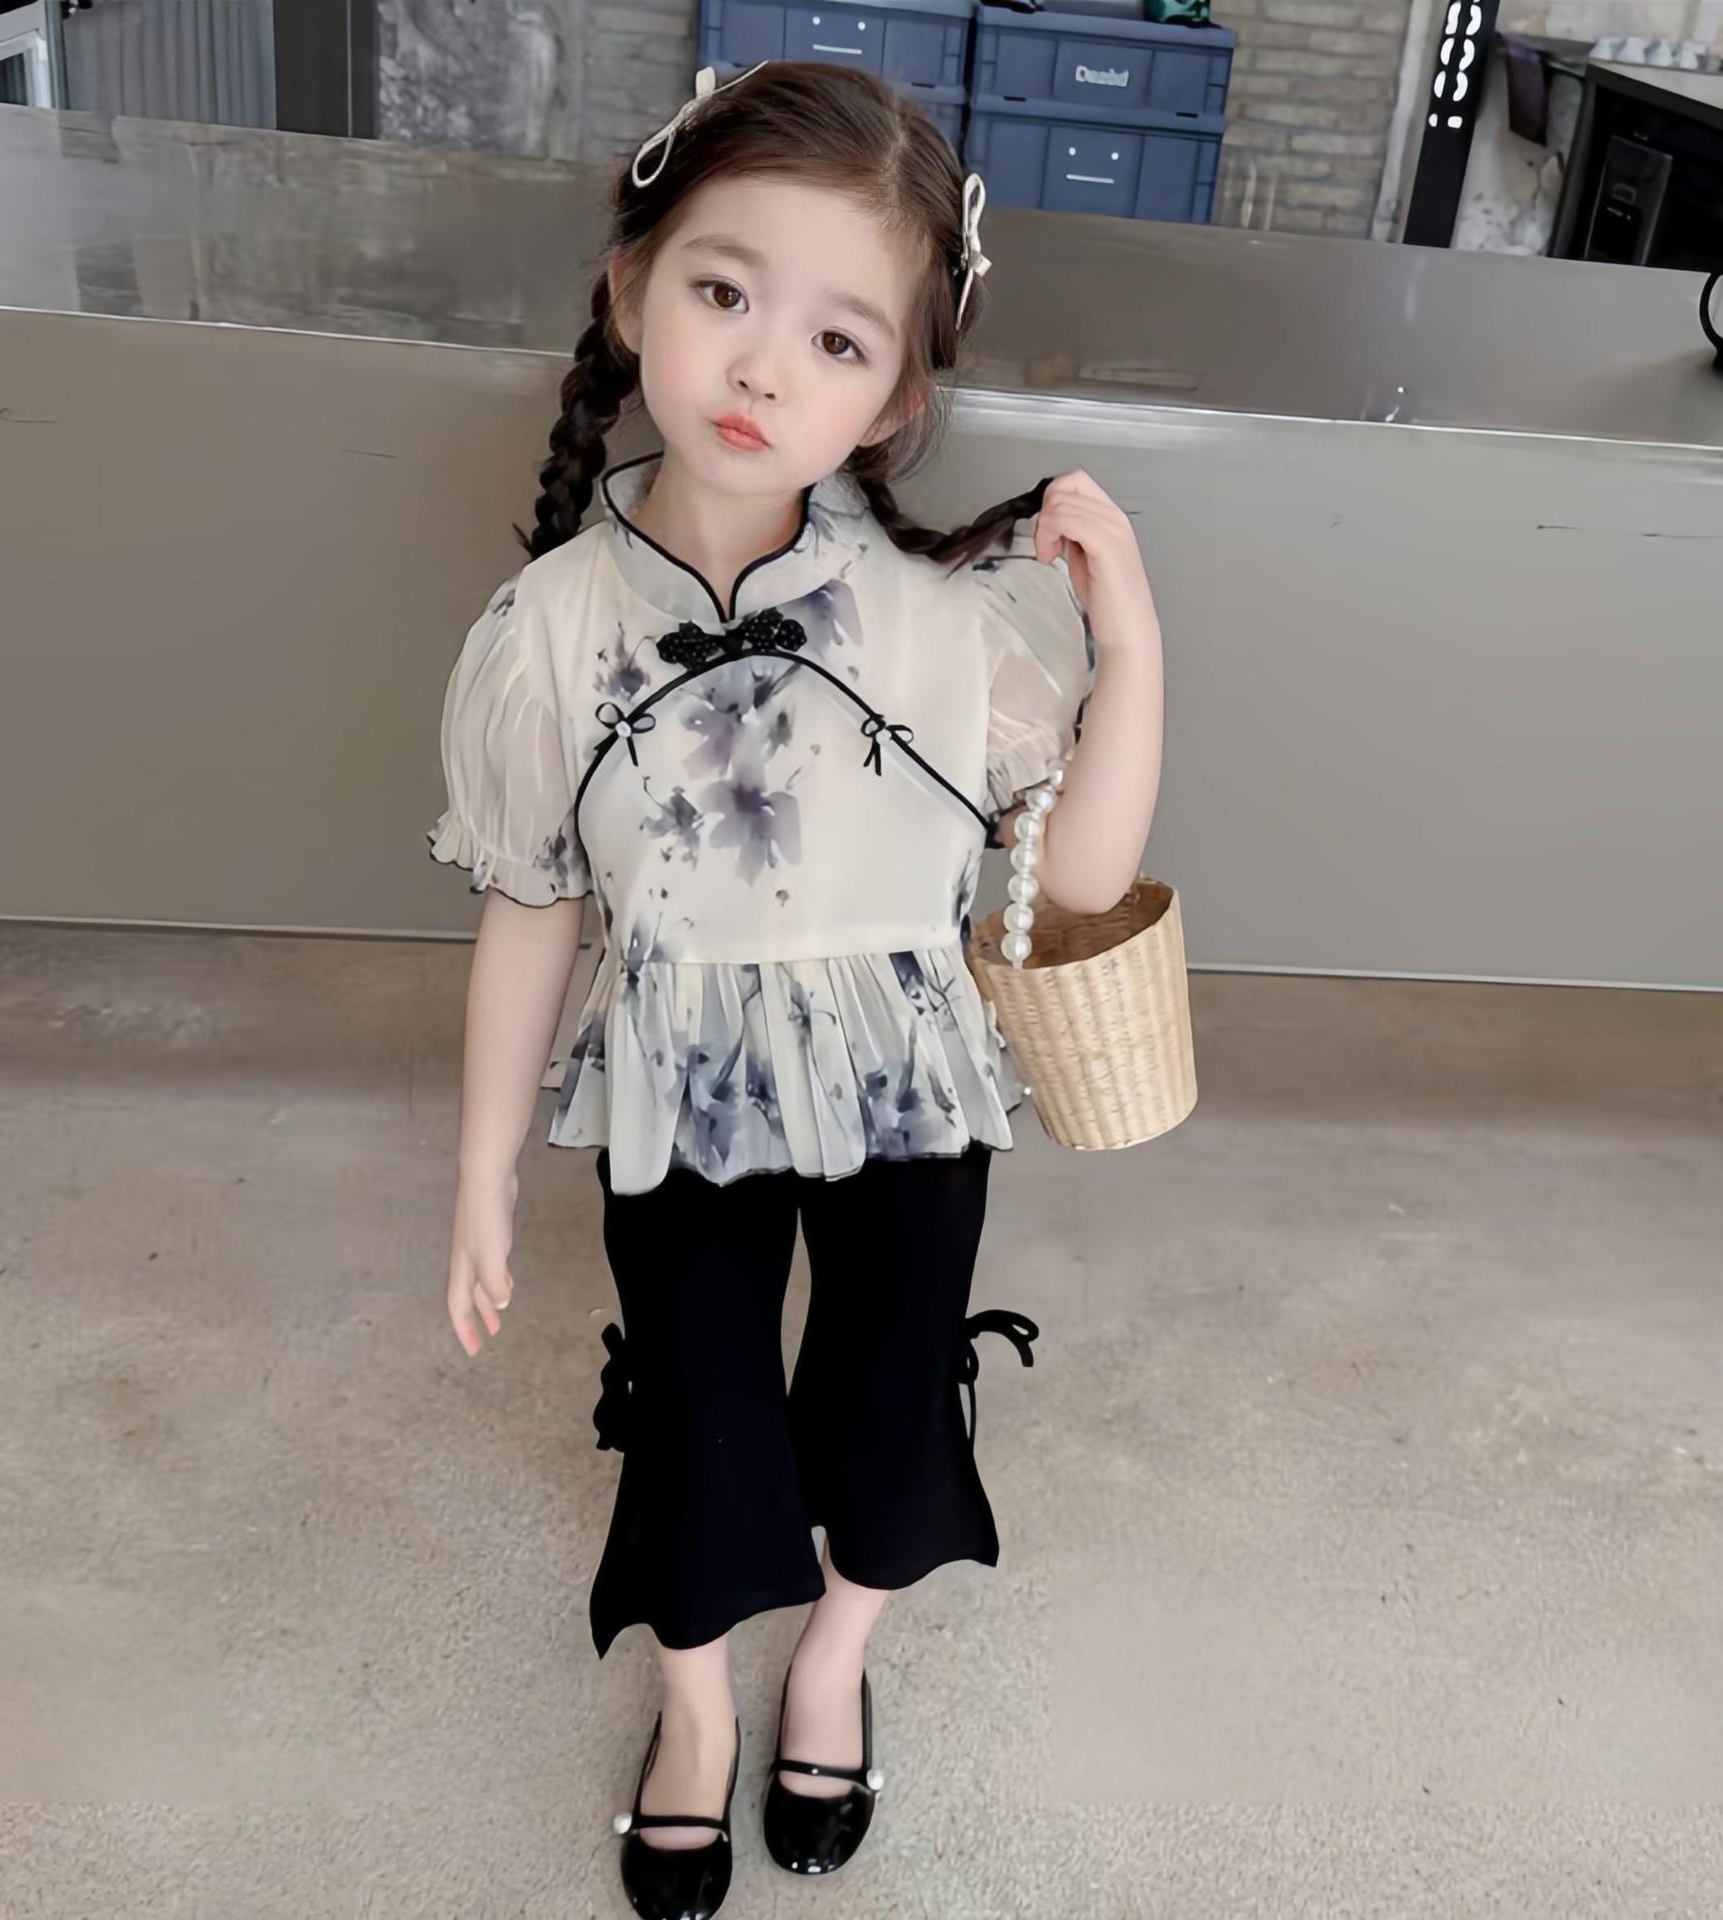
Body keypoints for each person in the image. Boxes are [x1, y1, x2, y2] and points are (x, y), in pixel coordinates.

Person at [429, 58, 1164, 1920]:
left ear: (897, 392)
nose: (764, 366)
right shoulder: (549, 633)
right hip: (679, 1085)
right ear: (632, 290)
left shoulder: (951, 620)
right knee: (696, 1406)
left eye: (838, 338)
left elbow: (1080, 879)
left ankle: (832, 1663)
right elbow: (529, 906)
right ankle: (695, 1706)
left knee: (889, 1394)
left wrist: (1136, 642)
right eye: (722, 290)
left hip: (912, 1084)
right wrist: (480, 1169)